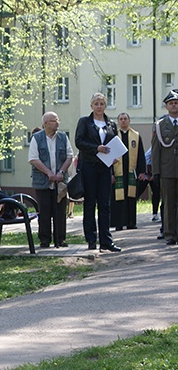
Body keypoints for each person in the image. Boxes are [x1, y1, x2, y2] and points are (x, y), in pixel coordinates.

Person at [74, 92, 121, 252]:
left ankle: (106, 241)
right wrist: (96, 148)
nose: (99, 106)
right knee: (90, 204)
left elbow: (114, 142)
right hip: (89, 166)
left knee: (105, 204)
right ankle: (91, 240)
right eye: (96, 104)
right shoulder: (85, 122)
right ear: (91, 106)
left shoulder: (111, 123)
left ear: (105, 105)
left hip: (105, 167)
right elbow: (79, 141)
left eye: (101, 104)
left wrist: (114, 156)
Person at [28, 112, 74, 248]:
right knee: (44, 211)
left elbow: (69, 156)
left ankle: (60, 239)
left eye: (57, 120)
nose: (57, 123)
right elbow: (33, 159)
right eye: (53, 121)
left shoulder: (63, 137)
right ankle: (44, 240)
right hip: (43, 181)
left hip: (60, 182)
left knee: (60, 211)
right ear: (45, 123)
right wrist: (48, 173)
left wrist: (61, 172)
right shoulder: (37, 138)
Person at [151, 90, 178, 246]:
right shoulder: (160, 125)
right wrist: (156, 172)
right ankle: (170, 234)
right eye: (171, 103)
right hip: (167, 170)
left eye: (176, 103)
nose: (174, 105)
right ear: (166, 107)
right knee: (168, 203)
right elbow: (156, 151)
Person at [111, 113, 146, 231]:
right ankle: (119, 224)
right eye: (121, 119)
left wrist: (142, 171)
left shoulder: (136, 136)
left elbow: (141, 154)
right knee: (118, 198)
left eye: (125, 119)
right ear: (118, 121)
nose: (123, 121)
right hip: (118, 172)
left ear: (129, 121)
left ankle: (131, 222)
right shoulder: (114, 136)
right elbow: (110, 155)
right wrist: (111, 173)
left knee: (131, 197)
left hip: (131, 171)